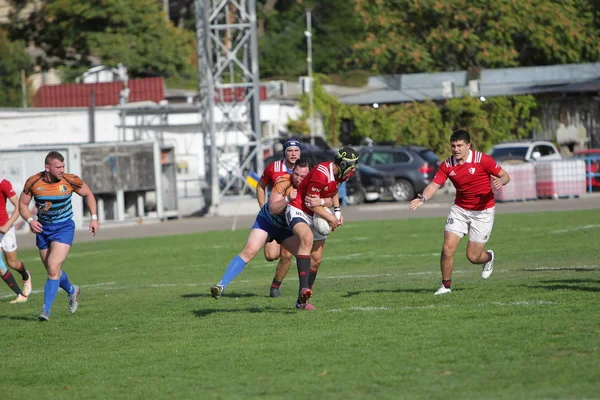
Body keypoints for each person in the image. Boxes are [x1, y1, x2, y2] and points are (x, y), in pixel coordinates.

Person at [409, 129, 511, 295]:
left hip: (483, 211)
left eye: (459, 145)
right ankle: (445, 286)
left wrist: (501, 181)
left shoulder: (482, 160)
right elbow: (434, 185)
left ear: (468, 146)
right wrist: (422, 199)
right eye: (453, 146)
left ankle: (489, 257)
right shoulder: (448, 165)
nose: (456, 149)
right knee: (447, 248)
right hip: (460, 210)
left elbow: (505, 175)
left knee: (473, 256)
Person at [210, 159, 320, 305]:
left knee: (310, 259)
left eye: (302, 176)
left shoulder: (312, 187)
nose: (298, 178)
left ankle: (302, 300)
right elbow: (273, 209)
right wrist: (288, 198)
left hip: (287, 230)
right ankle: (221, 285)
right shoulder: (283, 181)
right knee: (249, 251)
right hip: (267, 222)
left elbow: (328, 198)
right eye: (296, 174)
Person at [19, 151, 100, 321]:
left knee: (53, 267)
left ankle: (45, 311)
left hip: (63, 228)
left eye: (63, 166)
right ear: (47, 167)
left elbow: (88, 194)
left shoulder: (70, 180)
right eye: (58, 167)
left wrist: (93, 218)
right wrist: (30, 220)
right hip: (42, 230)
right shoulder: (34, 182)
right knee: (52, 269)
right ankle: (72, 290)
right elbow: (23, 204)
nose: (62, 170)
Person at [286, 146, 359, 308]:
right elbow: (310, 203)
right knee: (307, 238)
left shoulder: (343, 174)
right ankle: (303, 288)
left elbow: (334, 191)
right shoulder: (321, 173)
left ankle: (302, 301)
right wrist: (331, 217)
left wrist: (338, 212)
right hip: (298, 208)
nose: (353, 168)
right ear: (342, 164)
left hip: (316, 212)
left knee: (316, 261)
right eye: (351, 165)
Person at [256, 137, 301, 298]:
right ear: (284, 152)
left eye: (296, 150)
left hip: (293, 217)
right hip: (274, 217)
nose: (293, 154)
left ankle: (275, 287)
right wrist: (263, 208)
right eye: (290, 150)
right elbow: (260, 186)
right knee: (270, 256)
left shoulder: (304, 169)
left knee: (287, 255)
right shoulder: (273, 168)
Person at [0, 177, 31, 304]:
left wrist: (7, 225)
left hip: (5, 229)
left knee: (12, 263)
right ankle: (20, 295)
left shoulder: (3, 183)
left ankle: (25, 275)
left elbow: (18, 206)